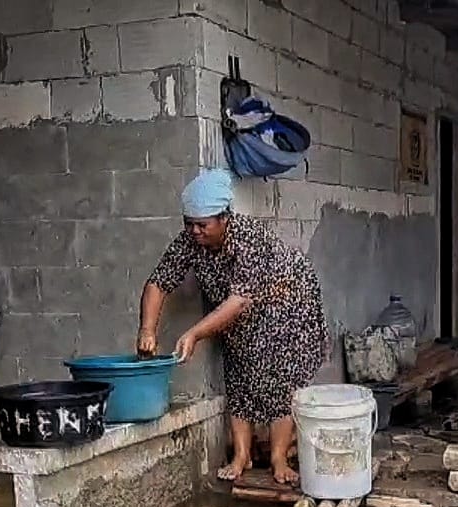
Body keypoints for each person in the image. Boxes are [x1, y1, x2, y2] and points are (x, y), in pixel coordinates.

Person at [137, 169, 328, 484]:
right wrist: (147, 329)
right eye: (189, 224)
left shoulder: (248, 236)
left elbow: (239, 301)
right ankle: (242, 455)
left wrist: (195, 333)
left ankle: (279, 458)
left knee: (279, 374)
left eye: (203, 225)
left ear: (224, 218)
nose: (195, 232)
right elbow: (158, 282)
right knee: (239, 370)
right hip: (239, 305)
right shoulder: (189, 241)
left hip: (288, 298)